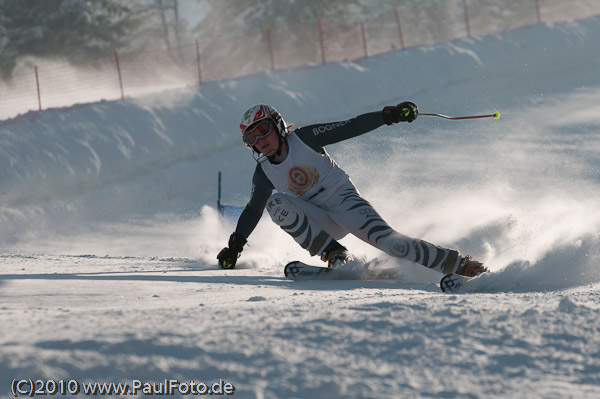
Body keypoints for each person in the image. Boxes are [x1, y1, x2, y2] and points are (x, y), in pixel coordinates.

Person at [217, 103, 487, 277]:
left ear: (278, 125)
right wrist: (235, 246)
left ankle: (458, 265)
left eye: (263, 130)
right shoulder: (263, 172)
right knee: (275, 204)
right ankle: (335, 254)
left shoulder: (305, 138)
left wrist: (388, 116)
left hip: (345, 203)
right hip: (319, 220)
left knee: (388, 242)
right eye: (251, 138)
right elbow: (253, 211)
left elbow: (350, 126)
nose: (259, 140)